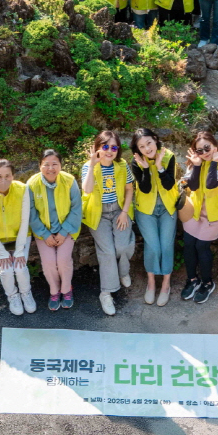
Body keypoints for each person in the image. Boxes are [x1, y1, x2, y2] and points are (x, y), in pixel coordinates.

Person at [81, 130, 135, 317]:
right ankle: (106, 292)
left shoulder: (122, 165)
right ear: (97, 147)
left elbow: (129, 189)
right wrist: (92, 165)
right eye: (105, 146)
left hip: (119, 210)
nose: (110, 151)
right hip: (98, 214)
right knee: (108, 252)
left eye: (114, 147)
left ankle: (123, 271)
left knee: (123, 246)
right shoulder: (89, 166)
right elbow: (87, 190)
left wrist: (124, 213)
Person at [0, 158, 36, 316]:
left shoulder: (22, 189)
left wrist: (19, 250)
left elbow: (25, 221)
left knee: (20, 267)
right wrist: (2, 253)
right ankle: (13, 296)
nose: (3, 180)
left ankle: (26, 293)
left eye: (7, 176)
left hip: (19, 237)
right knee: (6, 269)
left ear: (13, 176)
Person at [27, 149, 82, 312]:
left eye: (54, 164)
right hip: (43, 232)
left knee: (63, 261)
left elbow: (76, 208)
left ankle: (66, 289)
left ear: (61, 165)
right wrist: (44, 234)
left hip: (67, 230)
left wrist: (64, 232)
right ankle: (54, 291)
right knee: (49, 263)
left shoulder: (69, 181)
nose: (50, 168)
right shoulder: (32, 184)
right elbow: (30, 212)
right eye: (46, 165)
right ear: (40, 166)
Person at [181, 131, 218, 305]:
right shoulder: (197, 162)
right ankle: (192, 279)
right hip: (195, 212)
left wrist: (214, 162)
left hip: (215, 215)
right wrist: (196, 165)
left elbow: (211, 185)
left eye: (207, 148)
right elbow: (193, 186)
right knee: (189, 243)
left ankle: (207, 282)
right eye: (199, 150)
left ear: (215, 145)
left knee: (201, 246)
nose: (204, 153)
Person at [130, 128, 179, 307]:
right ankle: (151, 283)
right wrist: (145, 169)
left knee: (166, 245)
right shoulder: (136, 161)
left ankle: (166, 284)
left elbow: (169, 185)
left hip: (168, 207)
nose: (147, 148)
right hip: (145, 209)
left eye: (149, 143)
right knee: (153, 246)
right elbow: (145, 189)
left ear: (155, 140)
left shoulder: (168, 156)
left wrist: (159, 167)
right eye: (141, 146)